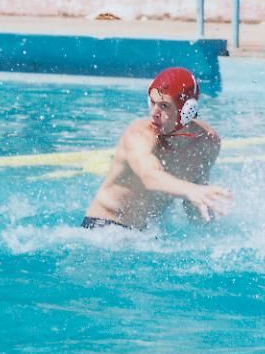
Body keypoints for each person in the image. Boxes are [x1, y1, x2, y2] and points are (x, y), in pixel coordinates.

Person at [83, 66, 232, 231]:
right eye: (152, 102)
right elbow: (149, 176)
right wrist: (192, 190)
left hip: (146, 235)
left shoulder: (206, 142)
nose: (154, 112)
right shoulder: (139, 135)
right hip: (103, 228)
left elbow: (195, 201)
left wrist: (209, 228)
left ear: (187, 111)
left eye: (164, 106)